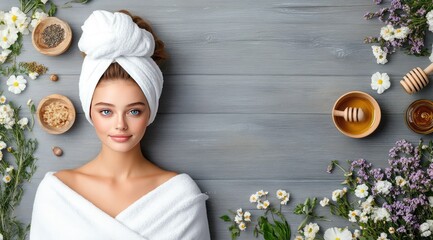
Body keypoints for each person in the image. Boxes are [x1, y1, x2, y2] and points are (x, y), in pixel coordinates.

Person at [30, 10, 211, 240]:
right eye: (106, 111)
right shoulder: (56, 194)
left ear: (150, 112)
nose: (120, 125)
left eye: (134, 111)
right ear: (89, 112)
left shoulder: (179, 197)